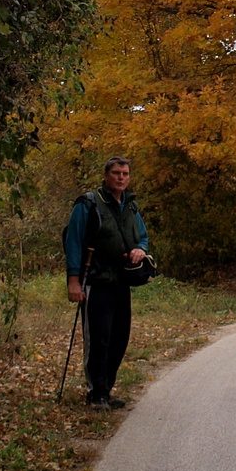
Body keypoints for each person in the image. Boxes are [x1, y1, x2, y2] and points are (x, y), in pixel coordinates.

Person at [64, 156, 151, 410]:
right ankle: (96, 393)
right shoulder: (88, 204)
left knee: (119, 338)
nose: (121, 177)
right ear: (106, 176)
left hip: (122, 282)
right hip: (96, 281)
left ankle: (107, 389)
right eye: (116, 173)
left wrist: (140, 250)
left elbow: (142, 238)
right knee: (99, 338)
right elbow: (74, 242)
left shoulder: (131, 207)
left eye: (125, 173)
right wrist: (73, 281)